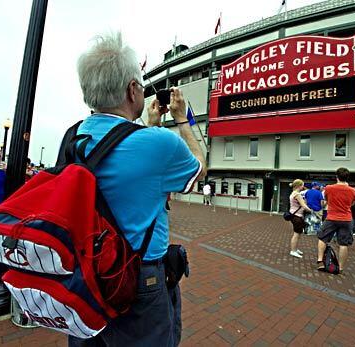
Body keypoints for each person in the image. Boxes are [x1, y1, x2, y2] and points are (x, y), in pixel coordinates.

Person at [67, 32, 206, 347]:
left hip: (86, 272)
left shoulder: (74, 137)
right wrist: (183, 121)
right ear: (132, 90)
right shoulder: (158, 143)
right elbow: (199, 167)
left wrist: (149, 123)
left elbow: (127, 164)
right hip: (137, 275)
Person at [317, 167, 355, 274]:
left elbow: (326, 200)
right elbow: (352, 203)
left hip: (331, 217)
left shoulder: (329, 188)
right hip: (346, 219)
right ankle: (341, 267)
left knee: (323, 238)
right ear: (347, 177)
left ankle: (320, 260)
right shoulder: (353, 190)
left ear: (336, 177)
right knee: (343, 244)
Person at [288, 179, 312, 258]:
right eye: (302, 185)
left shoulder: (294, 193)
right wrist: (312, 211)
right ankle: (293, 251)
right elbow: (304, 206)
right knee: (296, 234)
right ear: (299, 186)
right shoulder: (297, 194)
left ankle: (295, 248)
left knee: (298, 233)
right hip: (297, 216)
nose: (303, 186)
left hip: (295, 215)